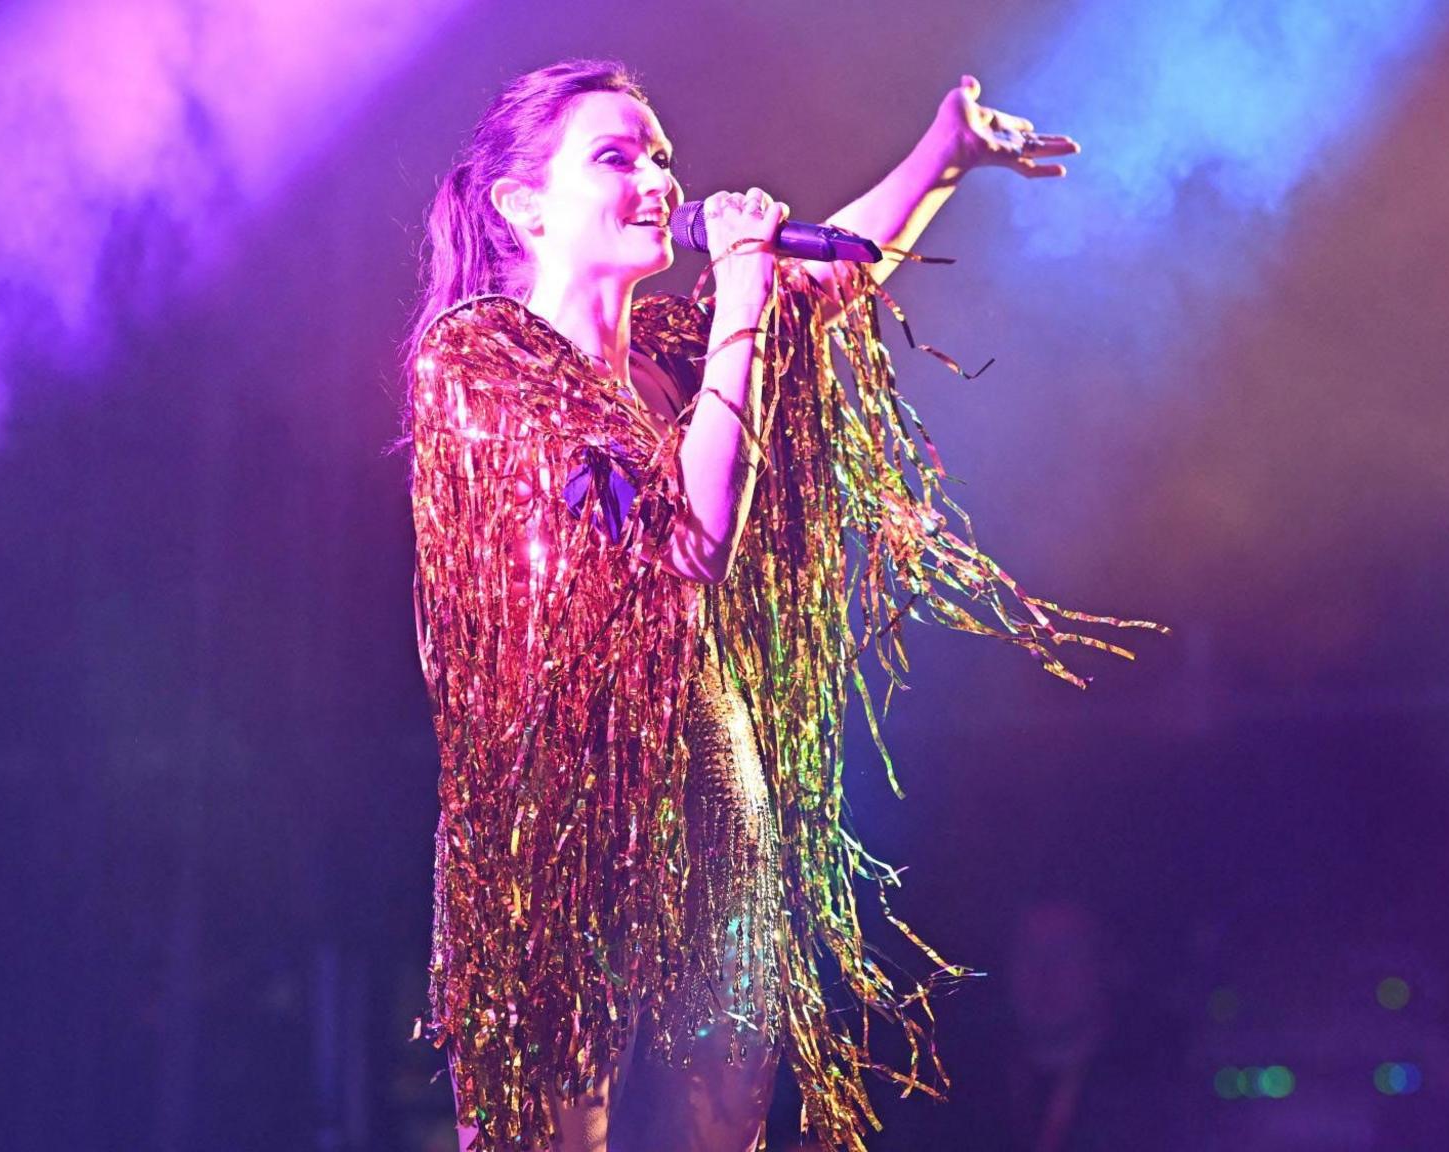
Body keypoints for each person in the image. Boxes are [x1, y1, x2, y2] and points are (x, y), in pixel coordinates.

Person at [405, 59, 1146, 1152]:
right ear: (522, 203)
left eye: (659, 153)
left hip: (708, 770)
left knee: (722, 1122)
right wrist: (744, 287)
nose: (658, 176)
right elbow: (690, 539)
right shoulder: (482, 357)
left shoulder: (668, 360)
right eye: (616, 157)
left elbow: (815, 291)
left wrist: (940, 151)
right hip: (553, 806)